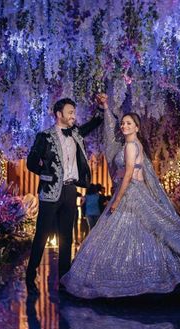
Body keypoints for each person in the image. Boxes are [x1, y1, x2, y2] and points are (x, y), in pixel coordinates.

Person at [60, 94, 180, 299]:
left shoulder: (130, 146)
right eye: (123, 123)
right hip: (132, 192)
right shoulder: (133, 144)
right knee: (139, 235)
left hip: (129, 193)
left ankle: (134, 282)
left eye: (129, 123)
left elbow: (128, 173)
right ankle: (147, 281)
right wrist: (107, 107)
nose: (124, 126)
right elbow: (112, 135)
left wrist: (117, 200)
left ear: (137, 127)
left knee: (127, 235)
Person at [26, 97, 103, 295]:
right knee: (42, 234)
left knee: (66, 236)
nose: (73, 116)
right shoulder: (45, 136)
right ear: (59, 114)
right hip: (50, 192)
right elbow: (32, 162)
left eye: (74, 112)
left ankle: (64, 278)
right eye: (70, 112)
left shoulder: (76, 133)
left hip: (70, 191)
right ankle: (30, 274)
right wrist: (47, 174)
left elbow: (94, 124)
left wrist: (102, 109)